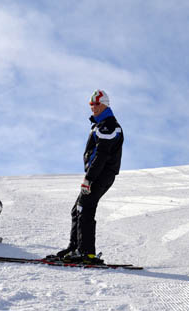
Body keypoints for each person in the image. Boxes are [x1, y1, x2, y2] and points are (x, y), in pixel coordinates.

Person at [57, 89, 124, 264]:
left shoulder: (109, 126)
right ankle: (75, 247)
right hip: (97, 174)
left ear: (104, 105)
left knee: (85, 207)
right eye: (90, 104)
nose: (92, 107)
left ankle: (87, 253)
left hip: (102, 174)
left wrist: (89, 179)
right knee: (77, 208)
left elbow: (101, 156)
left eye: (95, 104)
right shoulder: (100, 125)